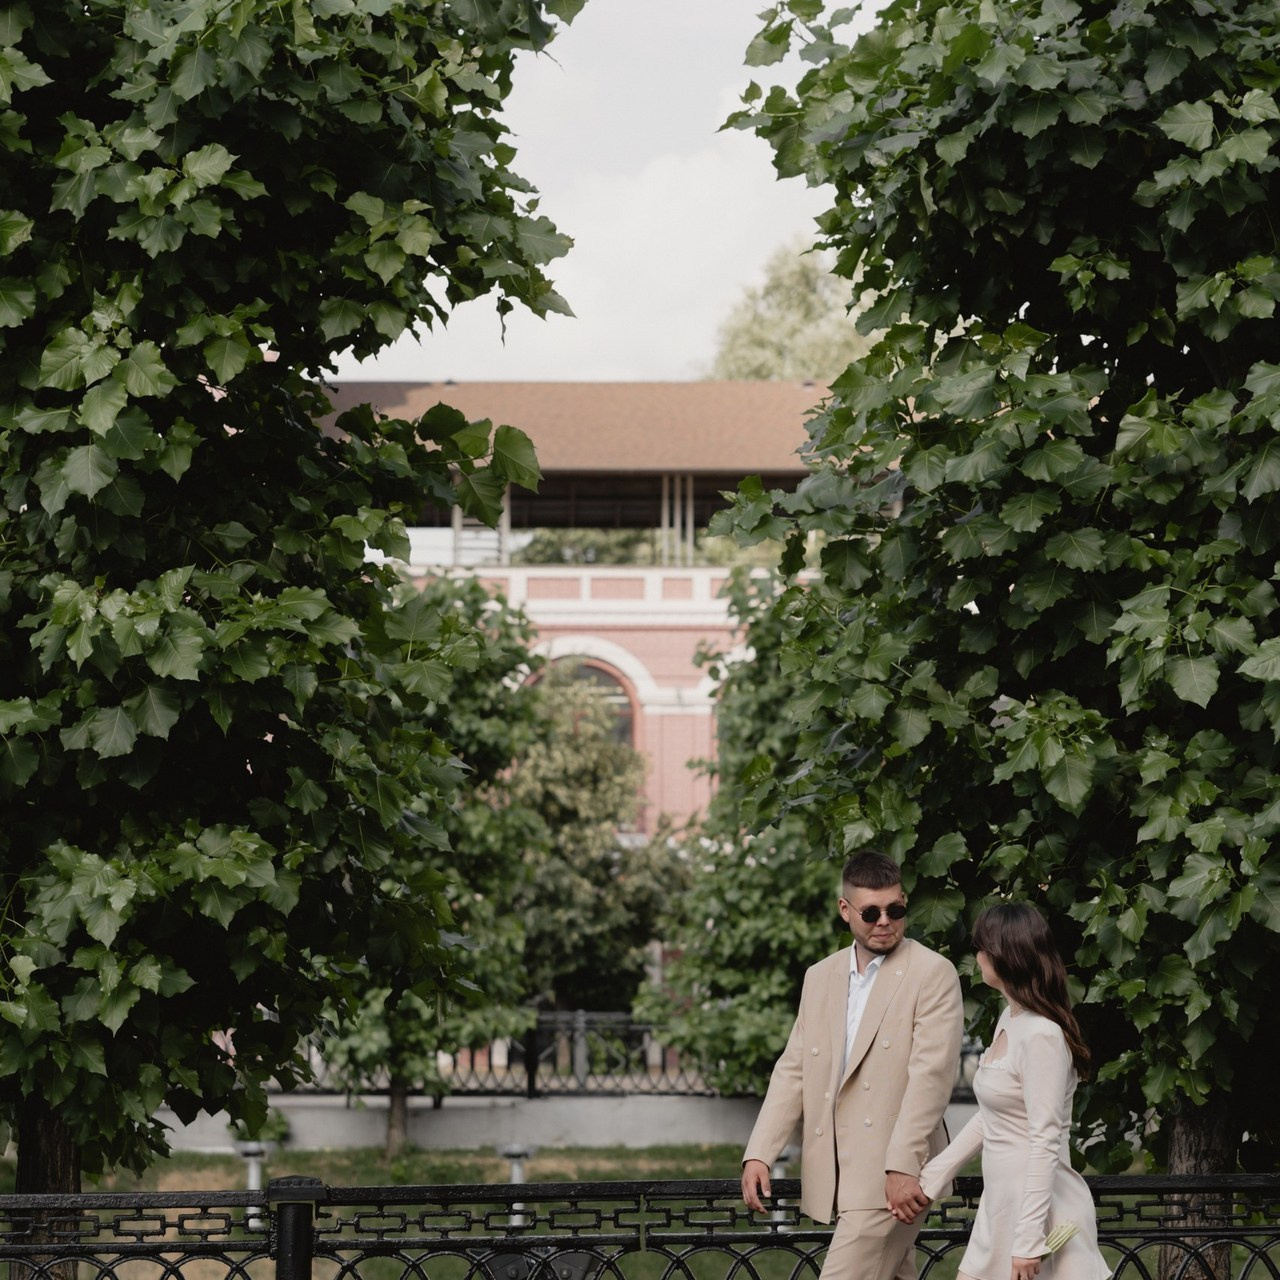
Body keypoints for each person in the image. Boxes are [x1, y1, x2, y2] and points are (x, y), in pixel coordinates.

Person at [741, 851, 965, 1280]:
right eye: (871, 912)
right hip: (838, 1171)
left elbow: (931, 1080)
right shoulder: (820, 976)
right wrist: (760, 1152)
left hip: (892, 1179)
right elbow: (794, 1069)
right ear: (845, 910)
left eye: (895, 909)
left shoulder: (932, 973)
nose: (885, 921)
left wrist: (902, 1167)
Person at [918, 903, 1110, 1280]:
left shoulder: (1042, 1036)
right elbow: (992, 1117)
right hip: (1002, 1203)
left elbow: (1045, 1139)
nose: (977, 956)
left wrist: (1028, 1241)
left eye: (983, 947)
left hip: (1042, 1214)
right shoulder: (1010, 1018)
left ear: (1005, 955)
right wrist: (933, 1176)